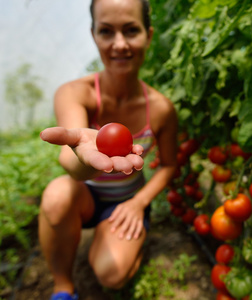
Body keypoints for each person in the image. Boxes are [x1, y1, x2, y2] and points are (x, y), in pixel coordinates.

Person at [38, 0, 178, 299]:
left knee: (111, 275)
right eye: (106, 31)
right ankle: (63, 287)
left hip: (125, 201)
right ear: (94, 35)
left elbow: (169, 165)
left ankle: (116, 236)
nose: (119, 44)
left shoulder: (162, 109)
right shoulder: (75, 93)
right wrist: (84, 157)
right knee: (56, 194)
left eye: (131, 30)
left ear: (148, 35)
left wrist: (138, 203)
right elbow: (70, 162)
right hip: (86, 196)